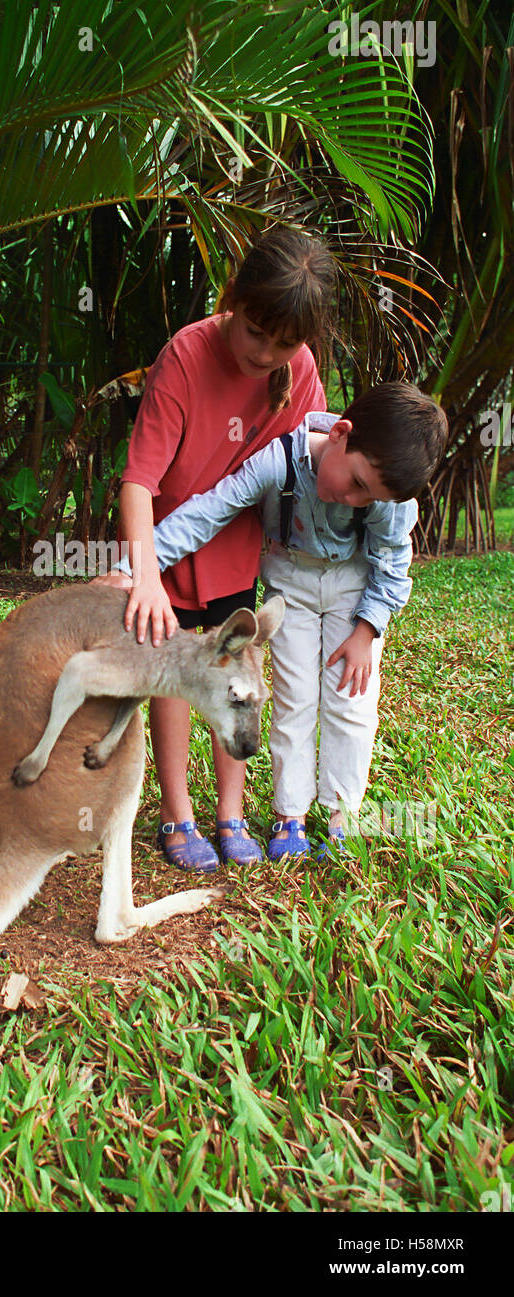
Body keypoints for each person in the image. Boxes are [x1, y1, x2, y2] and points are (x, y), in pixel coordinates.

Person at [113, 383, 448, 861]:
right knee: (292, 697)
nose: (354, 500)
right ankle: (289, 815)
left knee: (351, 699)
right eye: (355, 482)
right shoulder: (279, 461)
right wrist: (135, 569)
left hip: (356, 589)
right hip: (292, 580)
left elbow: (393, 564)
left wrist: (366, 630)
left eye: (367, 496)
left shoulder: (390, 497)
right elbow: (208, 512)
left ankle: (342, 817)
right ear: (340, 434)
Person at [113, 226, 334, 873]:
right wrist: (145, 577)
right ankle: (176, 813)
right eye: (255, 334)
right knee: (176, 681)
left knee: (237, 679)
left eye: (285, 344)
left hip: (237, 555)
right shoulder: (185, 356)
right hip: (170, 556)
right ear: (232, 299)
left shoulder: (299, 370)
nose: (266, 354)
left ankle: (230, 813)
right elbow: (138, 482)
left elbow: (311, 461)